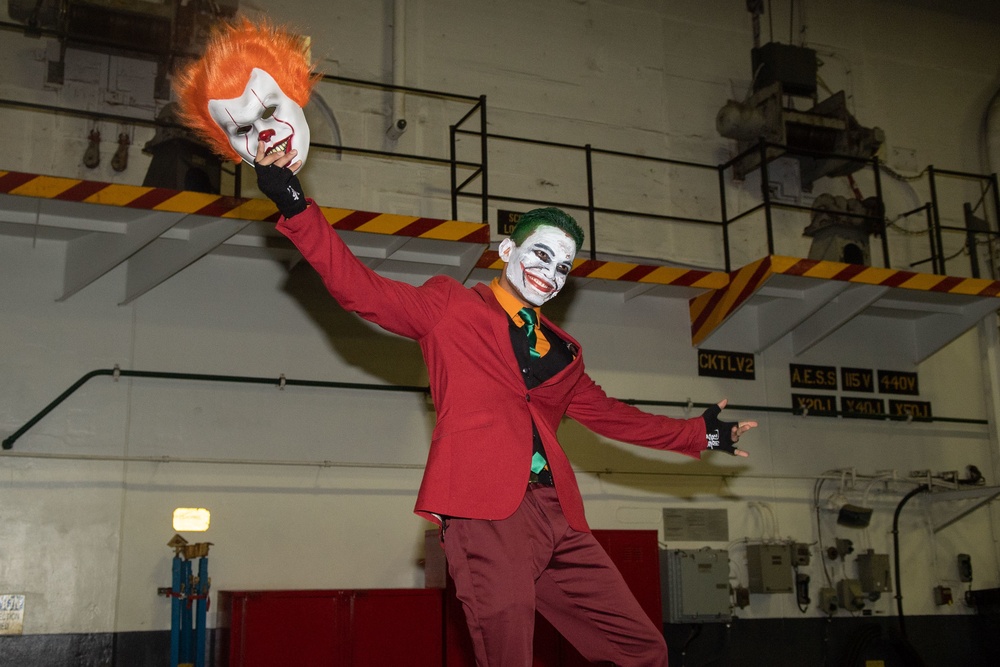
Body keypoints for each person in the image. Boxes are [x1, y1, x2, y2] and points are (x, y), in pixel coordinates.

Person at [250, 143, 756, 666]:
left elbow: (612, 417)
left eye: (562, 267)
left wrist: (703, 434)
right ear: (507, 251)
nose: (550, 272)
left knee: (643, 647)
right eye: (540, 254)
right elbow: (364, 290)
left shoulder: (562, 352)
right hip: (484, 507)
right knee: (508, 651)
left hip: (556, 512)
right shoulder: (452, 306)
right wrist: (295, 206)